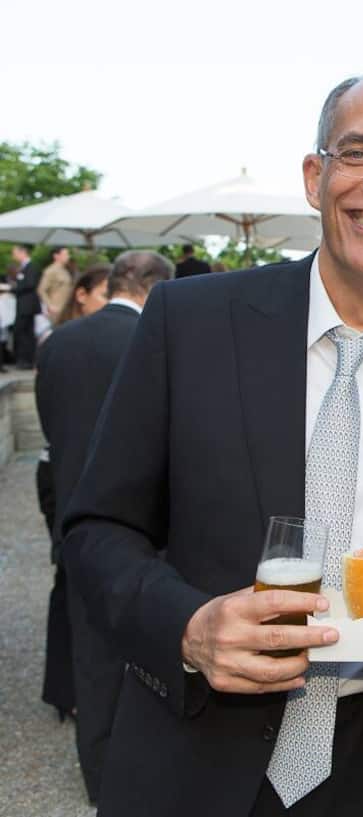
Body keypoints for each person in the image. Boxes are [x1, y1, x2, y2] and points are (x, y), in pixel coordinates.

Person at [61, 70, 363, 817]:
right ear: (314, 175)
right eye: (358, 152)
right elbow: (98, 528)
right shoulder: (187, 323)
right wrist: (188, 628)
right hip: (191, 760)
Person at [36, 252, 173, 804]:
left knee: (90, 653)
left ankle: (99, 776)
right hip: (148, 527)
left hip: (74, 515)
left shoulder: (60, 344)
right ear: (157, 289)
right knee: (150, 649)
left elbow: (50, 432)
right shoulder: (159, 343)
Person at [37, 262, 114, 729]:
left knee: (67, 580)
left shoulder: (58, 344)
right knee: (68, 581)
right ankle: (67, 687)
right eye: (103, 295)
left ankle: (63, 690)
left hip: (60, 472)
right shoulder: (62, 342)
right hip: (65, 473)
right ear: (81, 294)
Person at [11, 243, 41, 369]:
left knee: (23, 333)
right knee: (26, 333)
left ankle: (26, 360)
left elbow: (30, 284)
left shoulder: (31, 267)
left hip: (27, 306)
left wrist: (14, 288)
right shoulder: (23, 267)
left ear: (22, 252)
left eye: (15, 252)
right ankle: (26, 360)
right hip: (24, 305)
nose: (14, 255)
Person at [38, 246, 74, 322]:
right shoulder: (50, 271)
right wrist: (50, 305)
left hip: (65, 308)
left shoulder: (65, 270)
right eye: (65, 254)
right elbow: (41, 290)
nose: (68, 257)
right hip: (56, 309)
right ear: (56, 256)